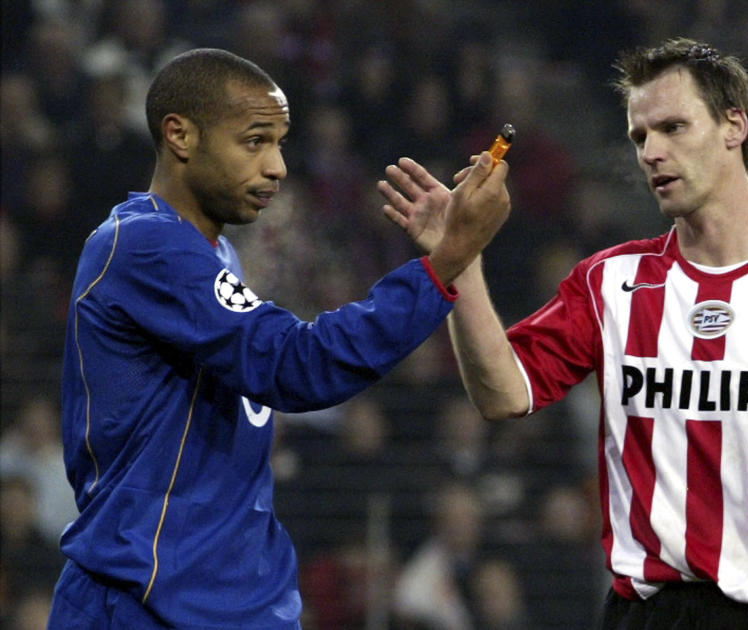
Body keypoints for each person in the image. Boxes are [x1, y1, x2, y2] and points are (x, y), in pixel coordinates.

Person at [379, 38, 748, 630]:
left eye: (672, 128)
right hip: (646, 614)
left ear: (733, 125)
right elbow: (503, 394)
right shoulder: (612, 281)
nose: (652, 153)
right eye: (640, 137)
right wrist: (460, 258)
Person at [49, 47, 511, 629]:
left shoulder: (213, 253)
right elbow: (297, 364)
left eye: (280, 143)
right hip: (150, 600)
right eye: (254, 141)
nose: (277, 167)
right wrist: (446, 262)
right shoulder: (144, 246)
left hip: (233, 596)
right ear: (180, 135)